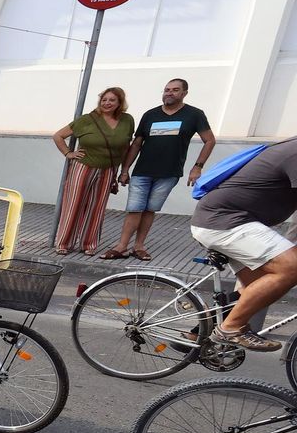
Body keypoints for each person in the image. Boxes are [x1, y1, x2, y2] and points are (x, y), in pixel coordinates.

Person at [188, 137, 297, 352]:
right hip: (226, 221)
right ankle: (231, 328)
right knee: (291, 268)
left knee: (260, 287)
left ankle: (200, 333)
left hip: (231, 222)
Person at [106, 78, 216, 261]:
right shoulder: (150, 115)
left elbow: (210, 140)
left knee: (150, 209)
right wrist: (125, 170)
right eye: (167, 89)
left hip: (169, 174)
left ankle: (139, 246)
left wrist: (197, 167)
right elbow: (136, 144)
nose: (169, 93)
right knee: (134, 209)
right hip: (142, 171)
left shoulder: (194, 114)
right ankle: (121, 246)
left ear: (184, 93)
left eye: (174, 90)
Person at [52, 87, 135, 257]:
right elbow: (58, 136)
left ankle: (89, 244)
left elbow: (126, 147)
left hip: (108, 169)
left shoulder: (127, 120)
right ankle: (64, 242)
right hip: (83, 166)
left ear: (120, 102)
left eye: (112, 100)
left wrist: (123, 170)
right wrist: (69, 153)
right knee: (74, 204)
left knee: (97, 208)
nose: (107, 103)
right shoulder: (87, 119)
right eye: (104, 100)